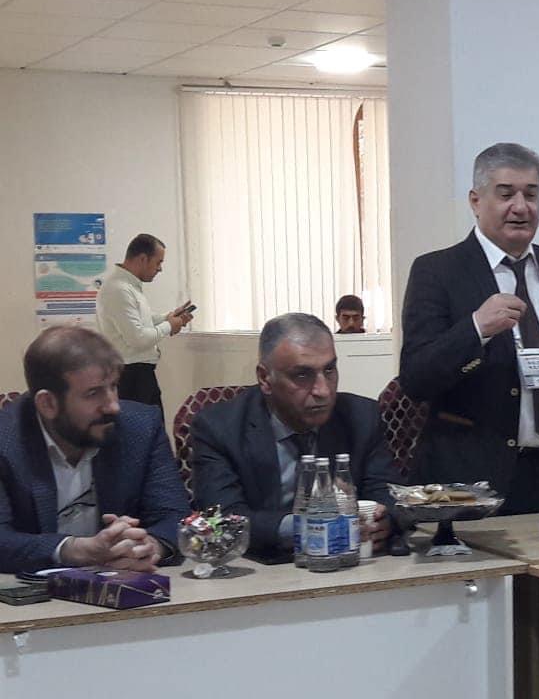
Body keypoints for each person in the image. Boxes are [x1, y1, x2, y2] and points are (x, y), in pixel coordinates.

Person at [399, 142, 539, 514]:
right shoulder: (437, 271)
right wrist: (475, 329)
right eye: (506, 194)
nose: (521, 207)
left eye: (531, 194)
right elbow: (415, 378)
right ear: (476, 201)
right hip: (472, 480)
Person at [191, 313, 398, 556]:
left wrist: (384, 520)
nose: (323, 390)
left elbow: (389, 493)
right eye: (302, 375)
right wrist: (307, 528)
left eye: (329, 370)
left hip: (349, 563)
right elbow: (223, 519)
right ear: (265, 378)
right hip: (262, 566)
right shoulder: (219, 428)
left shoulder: (361, 417)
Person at [0, 327, 189, 574]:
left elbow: (174, 515)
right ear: (48, 403)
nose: (113, 406)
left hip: (123, 584)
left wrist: (148, 547)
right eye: (93, 393)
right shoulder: (7, 441)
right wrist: (72, 550)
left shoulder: (140, 427)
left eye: (113, 386)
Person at [96, 233, 192, 412]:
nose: (160, 269)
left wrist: (169, 317)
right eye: (158, 262)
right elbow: (138, 339)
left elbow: (142, 321)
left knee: (153, 426)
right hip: (131, 377)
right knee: (143, 428)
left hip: (140, 375)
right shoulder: (119, 289)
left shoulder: (128, 286)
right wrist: (169, 326)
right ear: (142, 259)